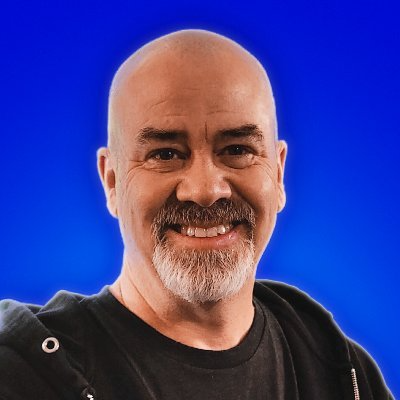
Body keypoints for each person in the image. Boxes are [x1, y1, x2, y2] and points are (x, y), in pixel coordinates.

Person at [0, 29, 393, 400]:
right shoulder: (20, 377)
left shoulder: (341, 371)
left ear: (277, 174)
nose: (205, 191)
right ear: (112, 182)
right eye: (165, 154)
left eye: (237, 150)